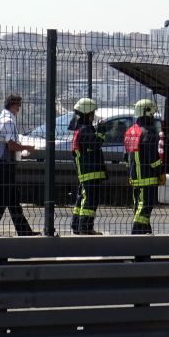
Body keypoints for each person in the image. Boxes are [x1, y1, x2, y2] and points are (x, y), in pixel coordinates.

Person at [0, 94, 39, 237]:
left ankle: (24, 231)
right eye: (18, 106)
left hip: (4, 163)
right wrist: (27, 147)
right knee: (1, 200)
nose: (19, 109)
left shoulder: (3, 118)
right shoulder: (7, 121)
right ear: (13, 105)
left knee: (13, 200)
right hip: (4, 164)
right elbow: (12, 145)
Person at [124, 99, 163, 235]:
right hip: (148, 177)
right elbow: (153, 159)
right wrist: (160, 173)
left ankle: (146, 232)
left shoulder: (130, 132)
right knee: (145, 207)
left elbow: (126, 157)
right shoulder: (148, 133)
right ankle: (137, 233)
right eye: (152, 115)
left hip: (134, 176)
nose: (152, 118)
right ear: (147, 113)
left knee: (139, 207)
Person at [70, 98, 107, 235]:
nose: (93, 115)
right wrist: (102, 130)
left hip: (87, 172)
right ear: (86, 113)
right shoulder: (84, 130)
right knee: (90, 200)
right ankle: (85, 228)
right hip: (90, 171)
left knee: (82, 199)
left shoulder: (81, 129)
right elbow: (95, 144)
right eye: (92, 113)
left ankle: (77, 225)